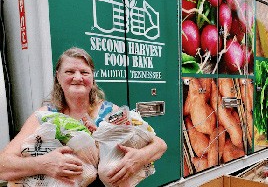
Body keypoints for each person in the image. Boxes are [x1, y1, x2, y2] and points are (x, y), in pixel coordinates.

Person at [0, 47, 167, 186]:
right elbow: (3, 165)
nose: (78, 77)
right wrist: (44, 165)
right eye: (70, 71)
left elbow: (160, 145)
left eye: (84, 72)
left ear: (92, 78)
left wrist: (139, 157)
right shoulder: (45, 116)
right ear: (58, 77)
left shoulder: (110, 112)